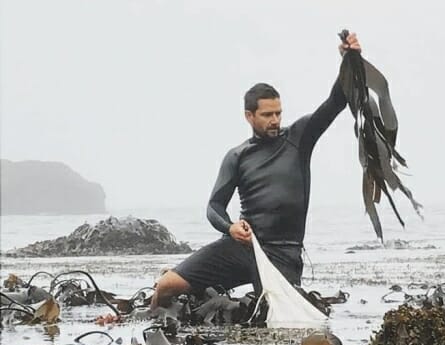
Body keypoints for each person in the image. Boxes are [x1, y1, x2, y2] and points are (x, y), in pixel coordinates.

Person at [151, 33, 362, 310]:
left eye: (278, 113)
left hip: (283, 255)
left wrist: (350, 59)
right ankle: (152, 319)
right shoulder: (237, 156)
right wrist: (230, 227)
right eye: (267, 114)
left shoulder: (299, 138)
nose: (275, 120)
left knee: (278, 319)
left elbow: (336, 101)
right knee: (167, 285)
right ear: (249, 116)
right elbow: (214, 206)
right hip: (242, 247)